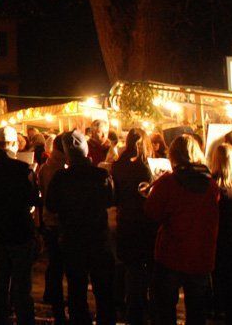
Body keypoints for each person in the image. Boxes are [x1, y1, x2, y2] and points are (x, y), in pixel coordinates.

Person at [145, 134, 220, 325]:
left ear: (174, 155)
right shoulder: (211, 185)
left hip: (171, 254)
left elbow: (152, 212)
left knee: (165, 309)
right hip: (202, 255)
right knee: (197, 311)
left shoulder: (168, 182)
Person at [46, 130, 116, 325]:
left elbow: (51, 205)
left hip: (73, 239)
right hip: (98, 239)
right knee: (103, 289)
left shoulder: (61, 177)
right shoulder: (101, 175)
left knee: (76, 288)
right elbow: (110, 200)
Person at [0, 125, 39, 325]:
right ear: (13, 144)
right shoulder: (23, 169)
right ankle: (24, 319)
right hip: (20, 229)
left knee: (0, 280)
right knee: (22, 283)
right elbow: (32, 198)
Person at [110, 128, 156, 325]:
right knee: (142, 268)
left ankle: (129, 306)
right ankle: (139, 308)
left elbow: (115, 195)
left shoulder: (118, 165)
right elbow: (147, 195)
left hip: (125, 220)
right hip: (143, 222)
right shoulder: (144, 168)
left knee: (129, 266)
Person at [38, 133, 67, 323]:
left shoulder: (44, 167)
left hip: (48, 218)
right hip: (60, 221)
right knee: (60, 262)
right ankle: (56, 299)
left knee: (53, 261)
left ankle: (50, 293)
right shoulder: (62, 169)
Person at [210, 143, 232, 323]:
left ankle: (218, 309)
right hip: (231, 241)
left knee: (218, 279)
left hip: (214, 240)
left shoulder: (209, 187)